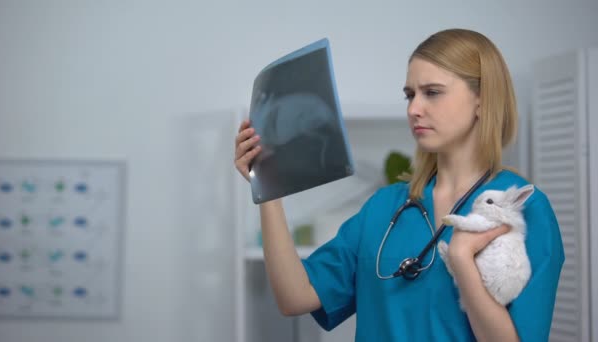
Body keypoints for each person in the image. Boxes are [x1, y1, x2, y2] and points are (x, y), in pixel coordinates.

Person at [234, 28, 564, 341]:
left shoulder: (522, 208)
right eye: (410, 95)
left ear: (481, 99)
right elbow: (296, 296)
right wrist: (268, 185)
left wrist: (462, 260)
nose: (414, 109)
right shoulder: (385, 207)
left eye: (432, 93)